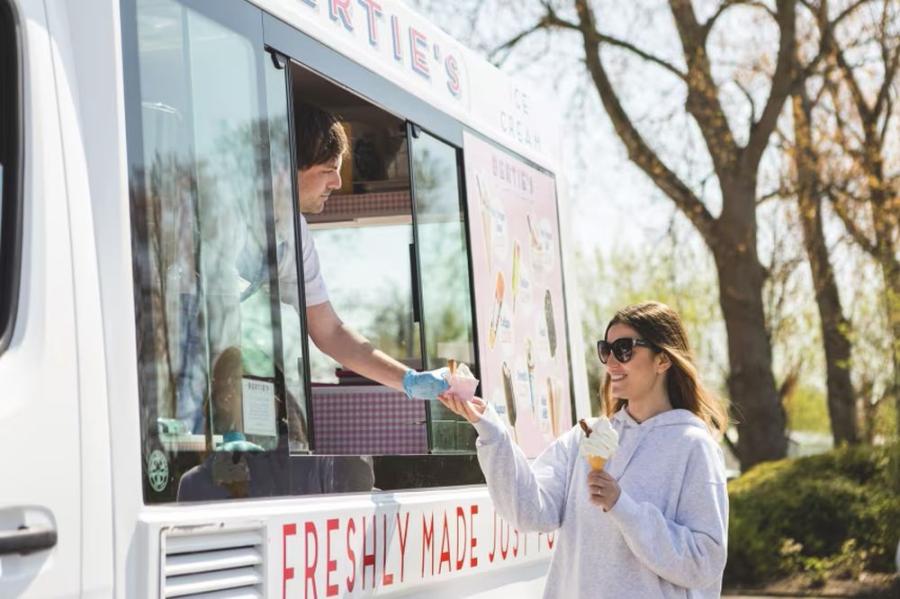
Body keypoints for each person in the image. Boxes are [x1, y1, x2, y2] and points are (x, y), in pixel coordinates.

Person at [438, 301, 729, 598]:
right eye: (607, 350)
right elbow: (529, 513)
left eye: (624, 349)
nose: (611, 363)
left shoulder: (693, 446)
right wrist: (490, 429)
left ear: (663, 360)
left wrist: (622, 506)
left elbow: (703, 562)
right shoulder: (586, 436)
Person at [273, 102, 446, 401]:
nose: (337, 183)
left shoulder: (293, 230)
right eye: (328, 170)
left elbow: (331, 331)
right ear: (287, 168)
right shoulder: (228, 213)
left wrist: (408, 380)